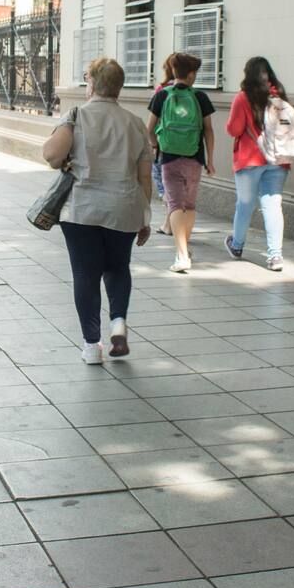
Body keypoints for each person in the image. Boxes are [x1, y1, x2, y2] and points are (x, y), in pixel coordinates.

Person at [42, 57, 153, 364]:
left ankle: (92, 346)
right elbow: (145, 177)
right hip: (124, 208)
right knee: (118, 267)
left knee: (85, 274)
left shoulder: (76, 116)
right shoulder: (135, 123)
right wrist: (144, 218)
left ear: (90, 83)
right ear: (119, 86)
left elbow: (51, 156)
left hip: (81, 210)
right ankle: (118, 322)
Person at [224, 57, 294, 271]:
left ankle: (237, 245)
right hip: (278, 159)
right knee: (273, 206)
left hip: (250, 159)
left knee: (245, 204)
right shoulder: (279, 96)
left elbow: (234, 129)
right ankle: (275, 256)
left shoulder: (243, 98)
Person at [146, 52, 215, 273]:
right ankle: (183, 249)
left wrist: (156, 144)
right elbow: (208, 130)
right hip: (194, 158)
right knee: (189, 204)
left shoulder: (161, 95)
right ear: (192, 74)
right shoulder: (200, 97)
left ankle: (182, 254)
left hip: (168, 158)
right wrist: (210, 159)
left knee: (174, 204)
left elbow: (149, 129)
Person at [152, 54, 176, 236]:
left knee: (164, 186)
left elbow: (152, 122)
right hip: (187, 148)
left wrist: (153, 144)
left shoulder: (162, 90)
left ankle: (169, 224)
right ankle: (172, 222)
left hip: (163, 145)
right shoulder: (191, 92)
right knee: (177, 188)